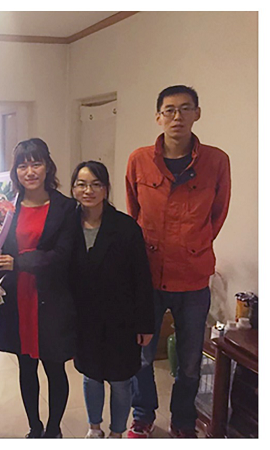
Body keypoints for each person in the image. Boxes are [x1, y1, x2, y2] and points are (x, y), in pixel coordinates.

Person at [126, 85, 231, 438]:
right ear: (158, 117)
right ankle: (142, 414)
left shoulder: (216, 161)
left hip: (193, 277)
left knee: (189, 362)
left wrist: (194, 245)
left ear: (197, 114)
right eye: (169, 110)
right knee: (141, 355)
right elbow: (133, 211)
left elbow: (218, 214)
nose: (177, 117)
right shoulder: (139, 159)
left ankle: (183, 421)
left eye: (185, 109)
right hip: (148, 274)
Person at [0, 138, 77, 438]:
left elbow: (62, 256)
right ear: (15, 171)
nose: (29, 171)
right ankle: (34, 427)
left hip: (51, 299)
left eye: (36, 163)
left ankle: (53, 430)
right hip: (16, 297)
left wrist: (19, 262)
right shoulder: (6, 207)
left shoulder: (66, 207)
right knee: (25, 366)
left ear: (47, 167)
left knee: (54, 367)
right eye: (22, 165)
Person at [68, 161, 154, 438]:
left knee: (120, 380)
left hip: (121, 318)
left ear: (106, 189)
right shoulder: (67, 225)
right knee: (91, 376)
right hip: (84, 318)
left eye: (96, 184)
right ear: (73, 188)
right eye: (81, 184)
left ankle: (117, 433)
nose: (88, 190)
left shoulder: (126, 227)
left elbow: (142, 279)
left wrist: (145, 323)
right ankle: (94, 429)